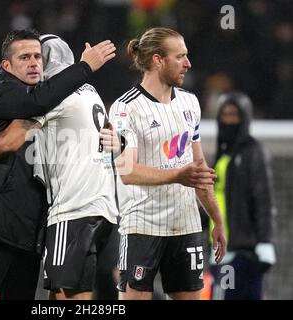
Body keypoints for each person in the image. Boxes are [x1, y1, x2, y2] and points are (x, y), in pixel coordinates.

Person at [0, 29, 115, 300]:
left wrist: (116, 140)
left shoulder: (53, 98)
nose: (33, 63)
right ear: (7, 65)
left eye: (38, 57)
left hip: (29, 235)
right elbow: (10, 138)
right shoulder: (0, 87)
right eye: (25, 57)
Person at [109, 27, 227, 300]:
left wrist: (217, 220)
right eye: (180, 57)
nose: (188, 63)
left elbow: (198, 169)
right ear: (157, 60)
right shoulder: (126, 108)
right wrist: (178, 174)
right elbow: (127, 172)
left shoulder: (190, 103)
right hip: (142, 227)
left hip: (185, 225)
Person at [209, 91, 276, 300]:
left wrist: (265, 242)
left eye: (234, 115)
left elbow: (263, 200)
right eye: (225, 115)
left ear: (244, 118)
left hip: (243, 253)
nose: (229, 120)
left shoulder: (253, 152)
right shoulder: (221, 157)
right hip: (221, 252)